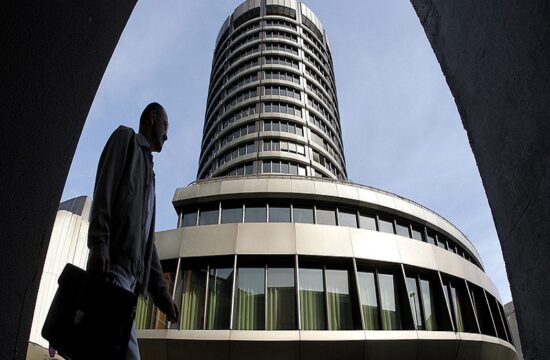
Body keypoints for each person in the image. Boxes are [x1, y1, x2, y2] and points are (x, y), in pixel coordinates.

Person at [86, 102, 179, 359]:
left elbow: (148, 245)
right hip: (112, 271)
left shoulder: (151, 176)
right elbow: (104, 189)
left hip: (131, 287)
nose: (167, 134)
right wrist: (99, 244)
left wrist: (162, 295)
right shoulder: (125, 139)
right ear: (152, 118)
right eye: (165, 125)